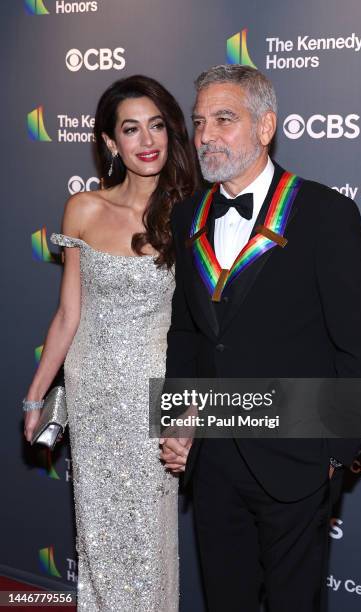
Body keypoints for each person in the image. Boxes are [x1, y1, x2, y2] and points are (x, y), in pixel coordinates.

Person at [161, 64, 361, 612]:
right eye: (198, 122)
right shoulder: (189, 215)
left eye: (223, 119)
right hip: (213, 463)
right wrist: (177, 420)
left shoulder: (326, 213)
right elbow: (188, 332)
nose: (205, 135)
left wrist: (331, 455)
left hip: (295, 461)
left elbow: (360, 348)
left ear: (265, 128)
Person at [23, 74, 197, 611]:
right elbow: (68, 314)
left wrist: (187, 409)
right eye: (130, 129)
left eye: (157, 126)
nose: (147, 140)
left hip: (153, 394)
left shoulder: (193, 213)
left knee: (147, 543)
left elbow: (201, 329)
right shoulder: (83, 209)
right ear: (109, 142)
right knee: (97, 538)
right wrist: (36, 397)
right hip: (92, 392)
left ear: (170, 134)